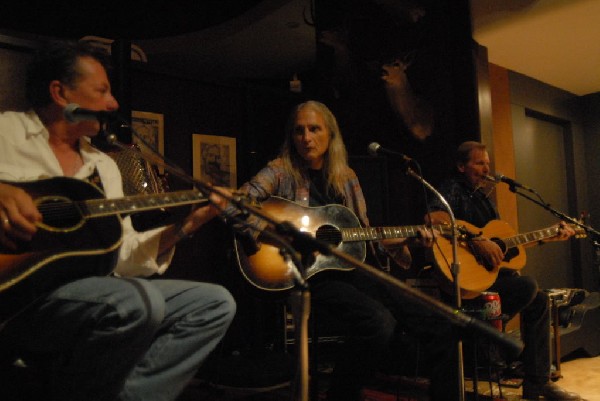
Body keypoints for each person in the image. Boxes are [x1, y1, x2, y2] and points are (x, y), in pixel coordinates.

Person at [0, 40, 236, 401]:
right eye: (102, 91)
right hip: (18, 297)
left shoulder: (104, 167)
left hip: (96, 291)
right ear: (61, 93)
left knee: (214, 303)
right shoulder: (7, 132)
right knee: (138, 303)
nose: (113, 104)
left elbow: (123, 257)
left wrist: (188, 225)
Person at [234, 100, 449, 401]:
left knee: (432, 314)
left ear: (330, 135)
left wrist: (408, 240)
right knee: (378, 321)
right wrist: (279, 233)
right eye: (299, 131)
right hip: (304, 272)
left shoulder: (346, 177)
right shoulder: (280, 170)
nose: (306, 138)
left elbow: (365, 236)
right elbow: (235, 205)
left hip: (346, 268)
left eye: (314, 129)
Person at [426, 141, 580, 401]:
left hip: (490, 280)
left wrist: (550, 236)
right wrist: (476, 239)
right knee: (528, 286)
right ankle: (495, 342)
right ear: (461, 166)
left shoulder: (484, 199)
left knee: (539, 300)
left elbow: (503, 246)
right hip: (464, 284)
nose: (486, 169)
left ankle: (536, 383)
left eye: (487, 163)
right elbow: (435, 219)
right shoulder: (452, 188)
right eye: (479, 163)